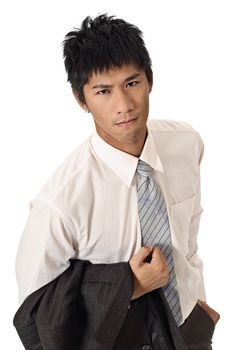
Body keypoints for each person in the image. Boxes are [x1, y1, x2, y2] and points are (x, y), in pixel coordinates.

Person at [15, 13, 220, 349]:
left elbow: (189, 242)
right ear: (81, 99)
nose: (123, 105)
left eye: (131, 83)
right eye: (103, 91)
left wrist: (201, 315)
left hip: (189, 332)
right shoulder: (60, 204)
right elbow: (37, 319)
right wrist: (130, 285)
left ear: (149, 79)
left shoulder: (187, 144)